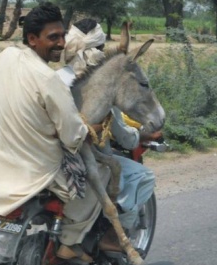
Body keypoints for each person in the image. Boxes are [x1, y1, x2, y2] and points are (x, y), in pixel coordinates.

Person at [0, 3, 121, 263]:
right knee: (101, 173)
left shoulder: (5, 58)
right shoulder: (50, 79)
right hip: (37, 170)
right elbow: (73, 136)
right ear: (32, 39)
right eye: (53, 37)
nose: (60, 44)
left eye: (62, 36)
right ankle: (70, 241)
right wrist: (92, 129)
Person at [56, 18, 162, 230]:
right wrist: (142, 135)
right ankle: (112, 236)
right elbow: (124, 137)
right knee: (142, 176)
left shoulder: (55, 77)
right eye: (102, 48)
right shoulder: (100, 87)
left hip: (50, 155)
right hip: (83, 160)